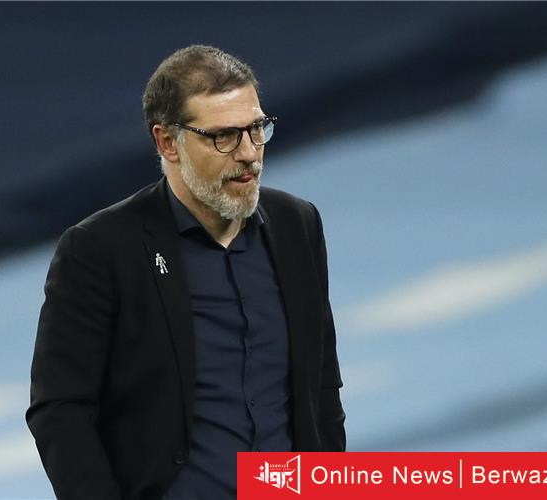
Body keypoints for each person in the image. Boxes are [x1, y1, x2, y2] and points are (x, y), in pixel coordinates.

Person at [26, 45, 345, 500]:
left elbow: (322, 385)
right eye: (224, 136)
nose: (249, 154)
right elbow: (61, 410)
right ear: (167, 142)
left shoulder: (298, 225)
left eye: (256, 129)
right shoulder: (100, 249)